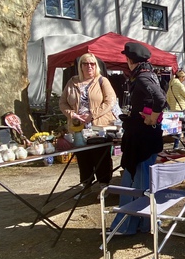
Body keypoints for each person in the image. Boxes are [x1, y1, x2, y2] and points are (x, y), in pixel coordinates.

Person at [110, 42, 167, 235]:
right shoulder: (149, 73)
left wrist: (152, 117)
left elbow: (160, 99)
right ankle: (143, 223)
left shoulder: (142, 77)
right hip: (145, 137)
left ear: (129, 59)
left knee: (136, 182)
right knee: (141, 181)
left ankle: (128, 225)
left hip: (142, 139)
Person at [59, 53, 117, 188]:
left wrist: (92, 115)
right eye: (85, 63)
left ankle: (104, 186)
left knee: (101, 156)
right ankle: (86, 185)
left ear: (96, 66)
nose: (89, 66)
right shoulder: (72, 82)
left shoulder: (102, 80)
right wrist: (72, 114)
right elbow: (62, 103)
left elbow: (110, 101)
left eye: (92, 64)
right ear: (81, 66)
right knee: (83, 158)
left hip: (99, 127)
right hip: (78, 127)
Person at [166, 69, 185, 149]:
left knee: (179, 127)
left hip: (173, 109)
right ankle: (180, 144)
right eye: (184, 77)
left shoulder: (171, 85)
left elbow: (167, 98)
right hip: (180, 108)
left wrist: (172, 105)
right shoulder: (179, 85)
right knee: (182, 126)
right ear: (181, 77)